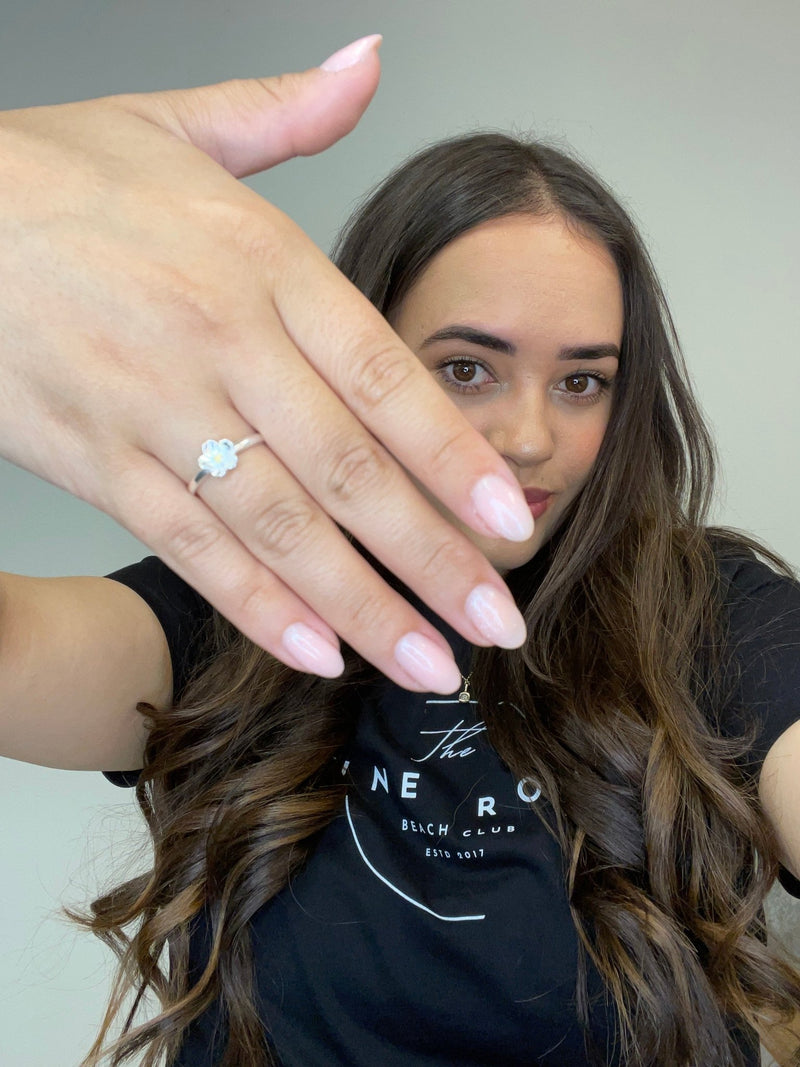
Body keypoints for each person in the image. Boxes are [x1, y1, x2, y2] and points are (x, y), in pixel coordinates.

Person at [2, 44, 800, 1067]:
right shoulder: (238, 598)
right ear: (351, 357)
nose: (525, 439)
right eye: (466, 368)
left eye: (580, 382)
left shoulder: (717, 612)